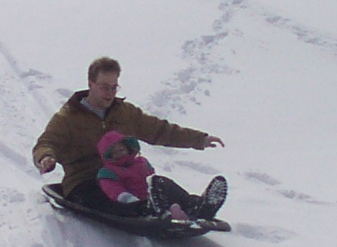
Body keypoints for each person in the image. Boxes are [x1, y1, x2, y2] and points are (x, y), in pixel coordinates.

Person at [33, 56, 227, 219]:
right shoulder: (69, 117)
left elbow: (160, 130)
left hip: (124, 174)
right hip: (85, 180)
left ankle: (196, 206)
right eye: (104, 87)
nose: (109, 93)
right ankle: (147, 211)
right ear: (90, 84)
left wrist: (200, 139)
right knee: (102, 197)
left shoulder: (124, 112)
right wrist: (45, 157)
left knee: (157, 183)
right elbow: (47, 142)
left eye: (114, 87)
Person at [96, 130, 191, 220]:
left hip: (151, 195)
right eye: (114, 153)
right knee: (146, 205)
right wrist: (128, 198)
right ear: (108, 157)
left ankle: (191, 204)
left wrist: (157, 187)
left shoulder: (141, 162)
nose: (119, 154)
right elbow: (113, 189)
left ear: (128, 148)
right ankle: (165, 213)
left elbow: (151, 177)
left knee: (162, 182)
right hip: (135, 203)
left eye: (121, 150)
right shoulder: (108, 172)